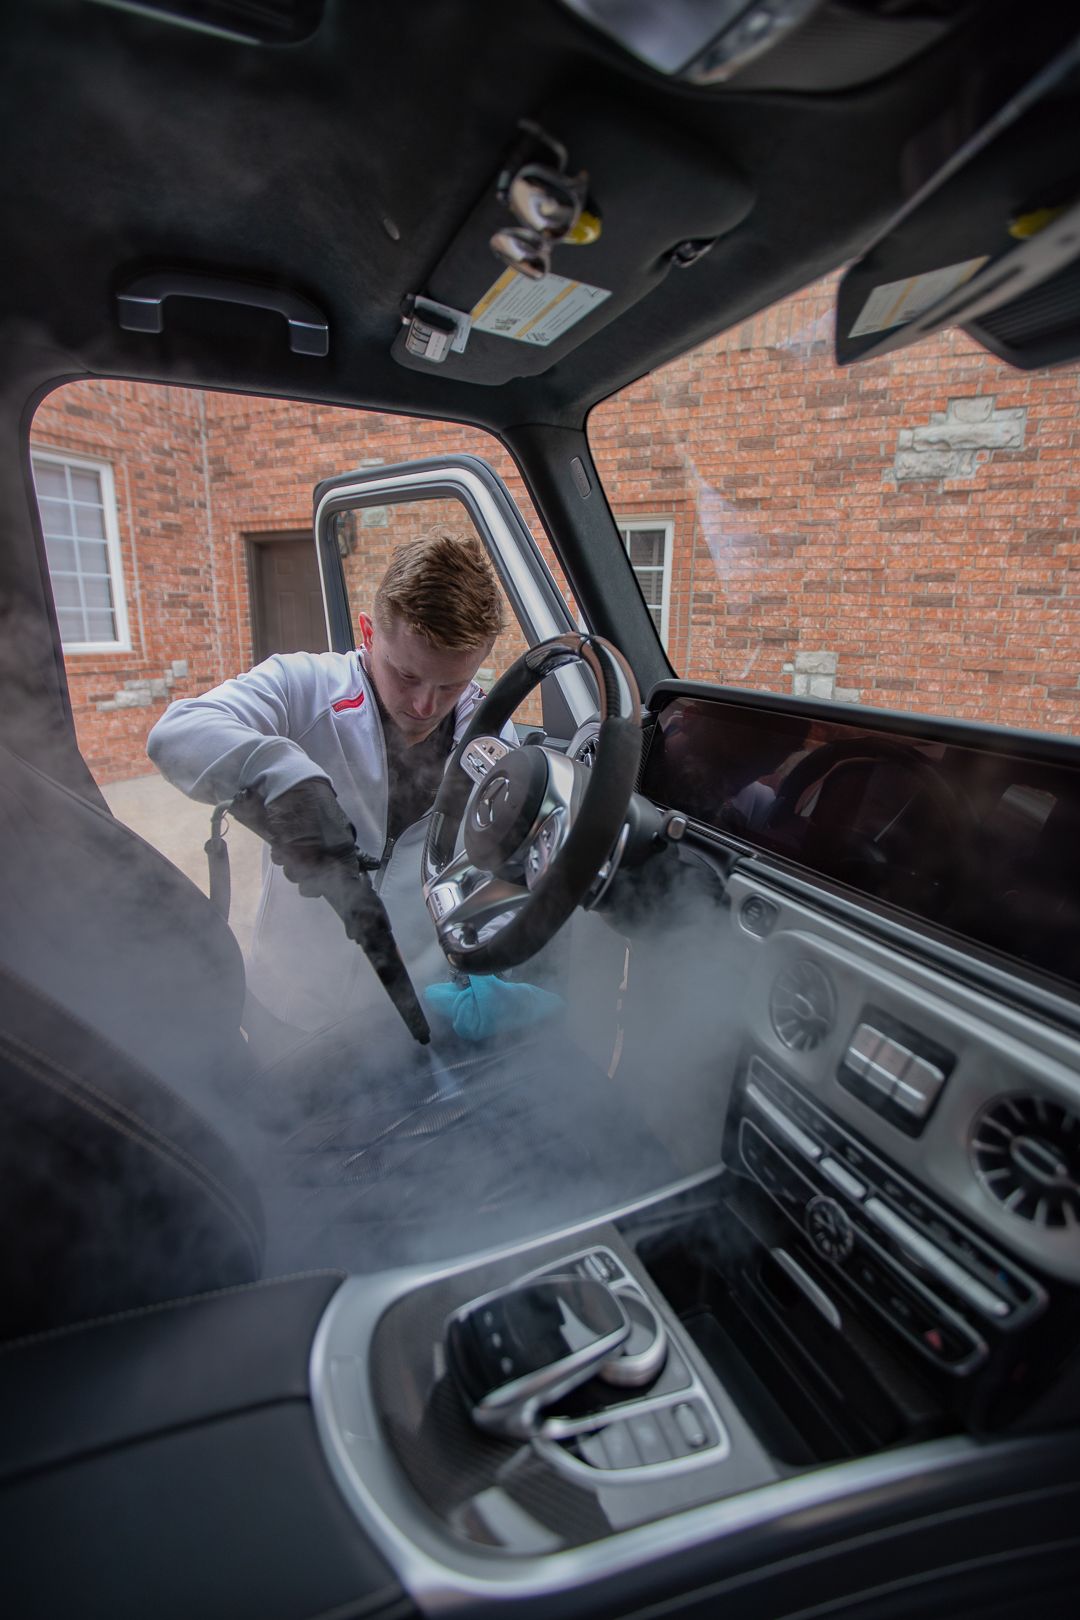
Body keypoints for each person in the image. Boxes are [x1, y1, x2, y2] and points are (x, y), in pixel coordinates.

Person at [148, 528, 507, 1034]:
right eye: (405, 675)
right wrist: (282, 775)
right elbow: (175, 733)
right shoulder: (302, 686)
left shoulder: (491, 734)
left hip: (411, 1015)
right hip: (289, 1006)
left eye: (451, 684)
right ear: (367, 632)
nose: (424, 706)